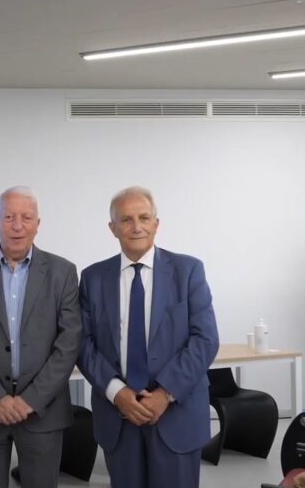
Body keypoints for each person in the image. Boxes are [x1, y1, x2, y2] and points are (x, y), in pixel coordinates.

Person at [78, 186, 219, 488]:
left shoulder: (188, 270)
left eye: (144, 218)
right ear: (112, 228)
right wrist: (117, 392)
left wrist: (164, 393)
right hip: (119, 416)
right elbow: (83, 344)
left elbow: (205, 339)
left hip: (176, 414)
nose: (136, 227)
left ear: (156, 223)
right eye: (126, 219)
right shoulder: (92, 278)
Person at [0, 186, 81, 488]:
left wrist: (30, 400)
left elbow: (69, 342)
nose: (18, 225)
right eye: (8, 217)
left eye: (26, 217)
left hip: (43, 412)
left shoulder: (63, 272)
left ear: (38, 223)